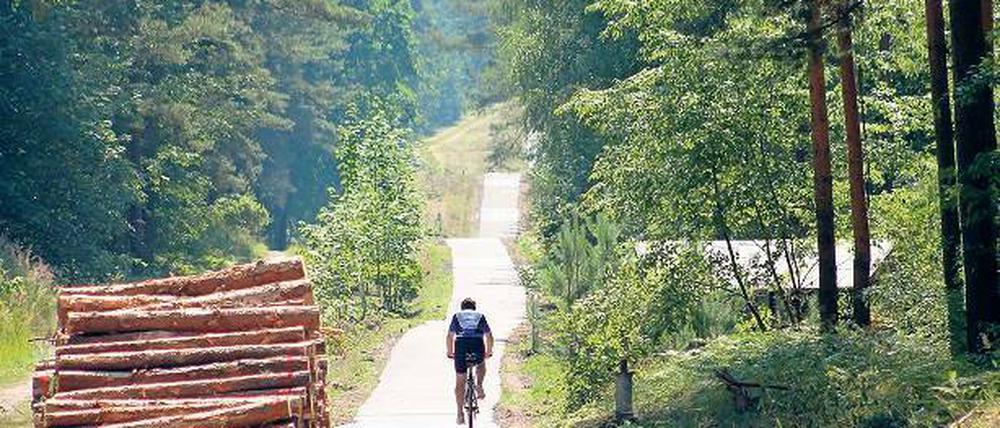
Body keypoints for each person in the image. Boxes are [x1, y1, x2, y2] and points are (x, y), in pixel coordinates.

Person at [446, 297, 494, 425]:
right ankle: (479, 386)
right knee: (481, 363)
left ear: (462, 307)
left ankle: (460, 414)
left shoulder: (457, 316)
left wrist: (450, 352)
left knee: (460, 380)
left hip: (461, 344)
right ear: (474, 308)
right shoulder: (480, 316)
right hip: (477, 344)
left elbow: (450, 336)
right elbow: (489, 336)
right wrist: (488, 352)